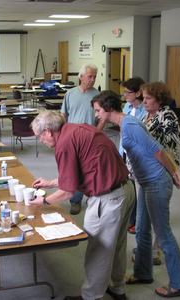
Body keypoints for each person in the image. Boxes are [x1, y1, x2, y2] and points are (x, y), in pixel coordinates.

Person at [92, 90, 180, 298]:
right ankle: (143, 273)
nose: (96, 115)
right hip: (145, 182)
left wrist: (175, 172)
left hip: (157, 182)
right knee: (142, 230)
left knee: (163, 235)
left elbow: (158, 150)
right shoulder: (124, 124)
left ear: (109, 109)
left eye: (98, 110)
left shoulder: (130, 124)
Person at [30, 110, 135, 300]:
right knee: (117, 245)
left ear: (48, 131)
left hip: (108, 198)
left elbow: (69, 192)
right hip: (125, 189)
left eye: (39, 137)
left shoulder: (63, 144)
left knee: (99, 250)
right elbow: (80, 171)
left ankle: (91, 297)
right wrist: (50, 182)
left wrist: (44, 201)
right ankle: (118, 288)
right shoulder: (75, 129)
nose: (40, 141)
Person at [139, 81, 180, 266]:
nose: (144, 102)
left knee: (160, 222)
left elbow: (171, 150)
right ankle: (146, 253)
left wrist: (175, 173)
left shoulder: (168, 116)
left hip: (159, 175)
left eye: (148, 98)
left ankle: (156, 251)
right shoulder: (147, 115)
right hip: (144, 174)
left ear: (159, 99)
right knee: (143, 221)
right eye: (143, 98)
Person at [60, 63, 100, 215]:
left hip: (90, 139)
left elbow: (102, 117)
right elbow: (64, 116)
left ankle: (91, 198)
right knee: (73, 170)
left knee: (89, 170)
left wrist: (98, 131)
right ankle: (75, 201)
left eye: (94, 77)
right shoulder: (70, 94)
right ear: (81, 76)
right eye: (90, 76)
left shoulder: (97, 96)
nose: (92, 79)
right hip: (72, 139)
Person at [120, 77, 146, 235]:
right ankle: (132, 219)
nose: (124, 96)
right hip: (124, 152)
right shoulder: (126, 107)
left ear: (138, 93)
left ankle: (138, 221)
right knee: (129, 189)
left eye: (127, 93)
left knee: (139, 191)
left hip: (138, 155)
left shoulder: (145, 110)